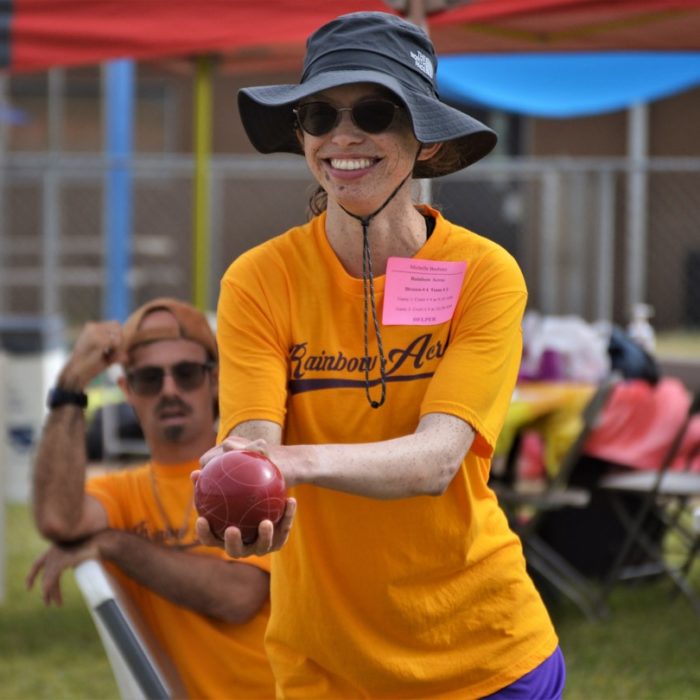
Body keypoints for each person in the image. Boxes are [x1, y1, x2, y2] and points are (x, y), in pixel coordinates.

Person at [195, 11, 565, 699]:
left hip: (484, 655)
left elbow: (436, 461)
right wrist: (249, 501)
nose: (344, 136)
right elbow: (250, 439)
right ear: (301, 134)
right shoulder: (259, 279)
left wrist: (286, 464)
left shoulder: (484, 273)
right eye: (318, 115)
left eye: (374, 112)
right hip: (328, 667)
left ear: (423, 139)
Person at [28, 298, 275, 700]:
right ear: (126, 389)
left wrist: (113, 543)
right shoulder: (121, 492)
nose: (170, 390)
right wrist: (71, 384)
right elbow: (57, 517)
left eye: (187, 373)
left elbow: (238, 595)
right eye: (148, 378)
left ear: (214, 381)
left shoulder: (252, 471)